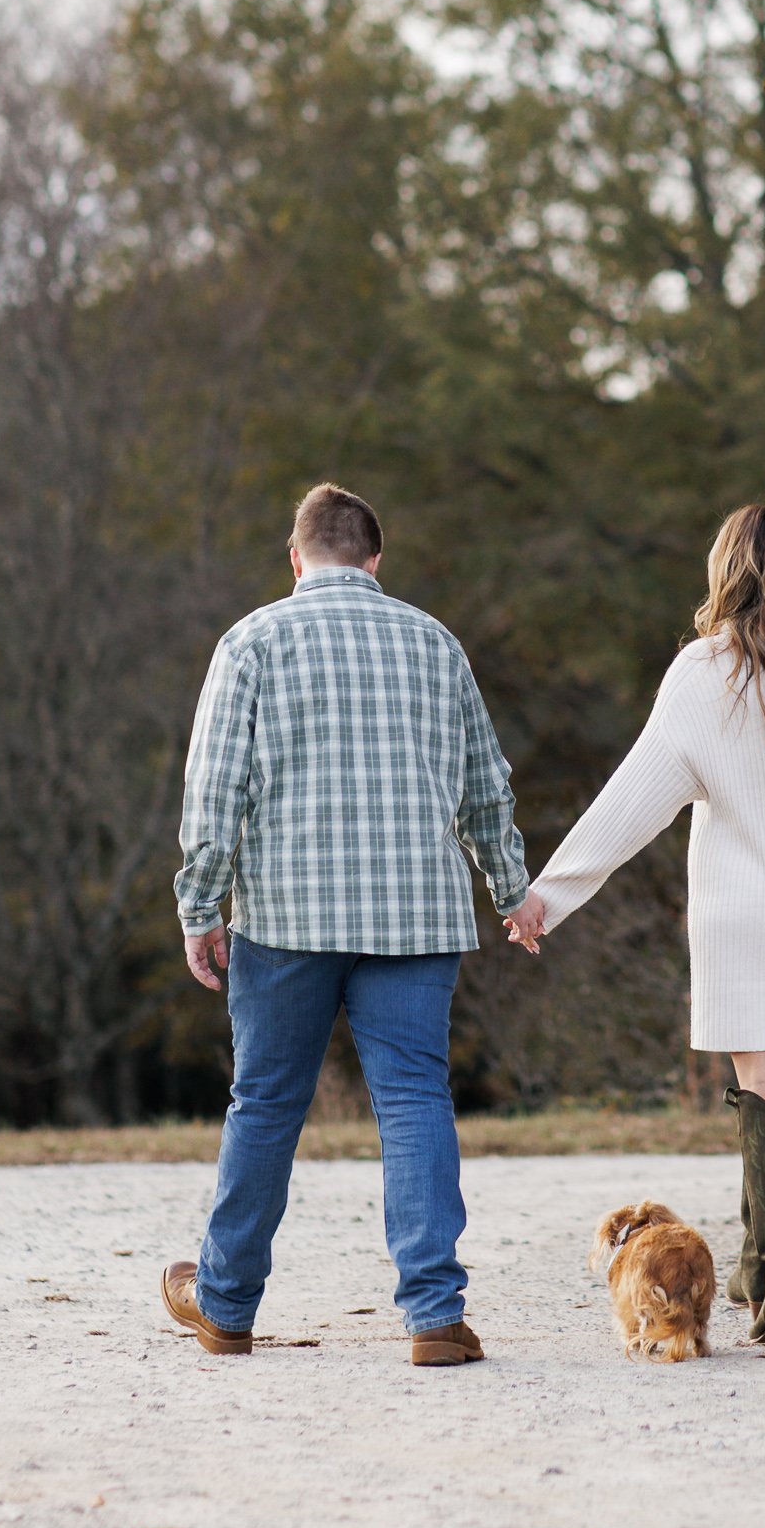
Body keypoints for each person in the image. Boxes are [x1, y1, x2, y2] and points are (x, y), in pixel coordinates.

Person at [507, 502, 765, 1348]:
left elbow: (632, 801)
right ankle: (764, 1271)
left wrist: (549, 893)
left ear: (726, 572)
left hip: (740, 916)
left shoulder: (703, 674)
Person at [163, 482, 537, 1365]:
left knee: (265, 1103)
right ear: (376, 559)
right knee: (413, 1100)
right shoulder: (434, 642)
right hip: (415, 915)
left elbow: (213, 795)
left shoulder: (251, 640)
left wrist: (199, 906)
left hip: (285, 914)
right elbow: (488, 787)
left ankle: (224, 1307)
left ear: (296, 559)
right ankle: (435, 1315)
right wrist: (510, 888)